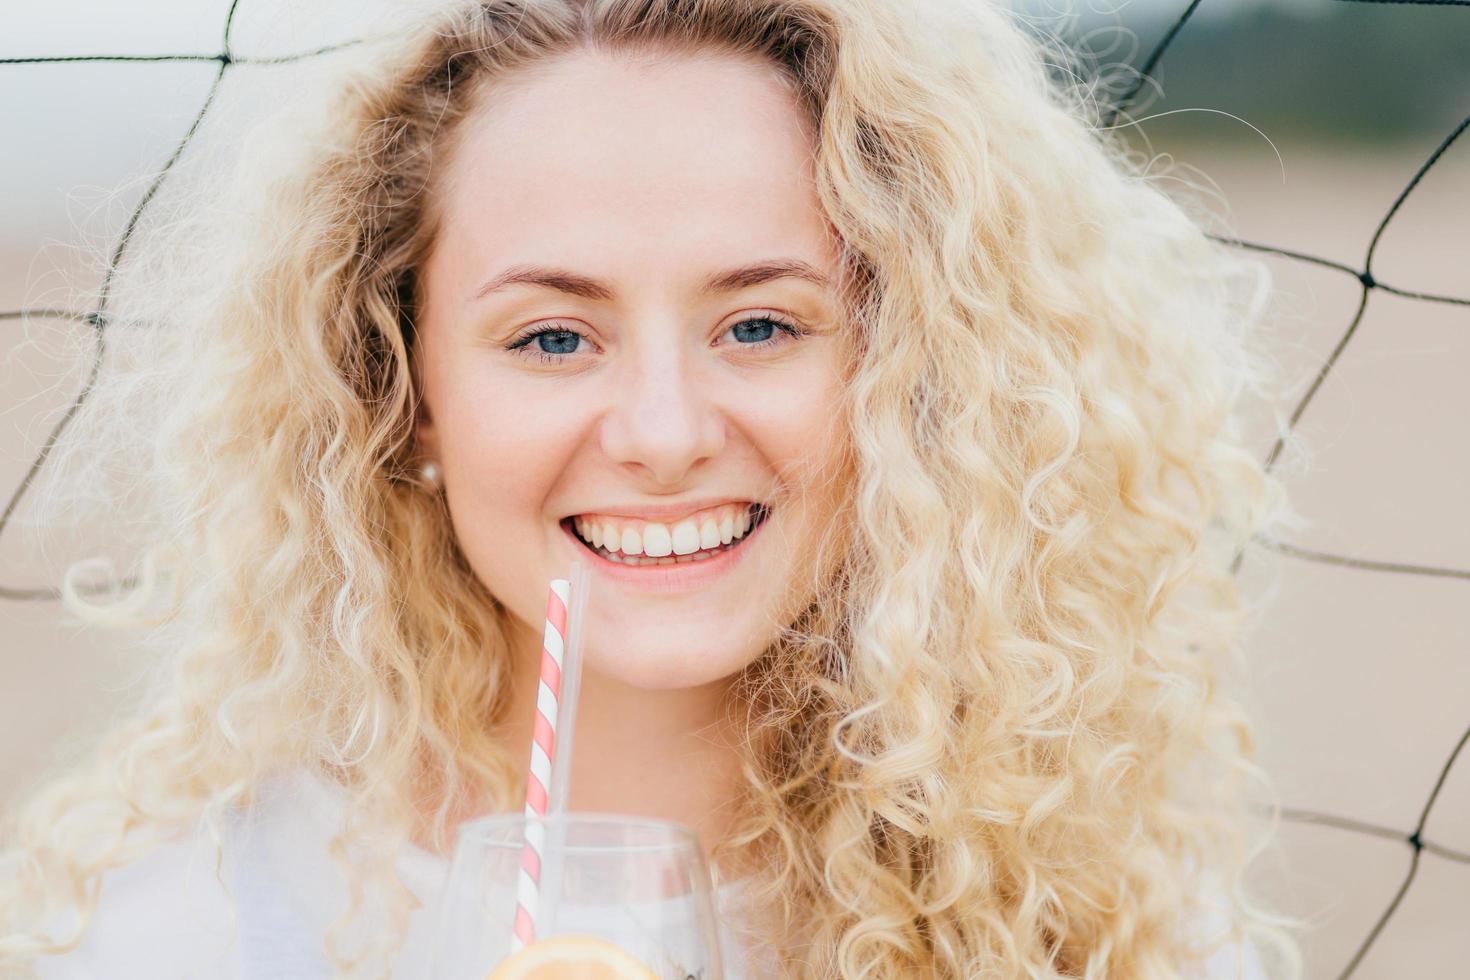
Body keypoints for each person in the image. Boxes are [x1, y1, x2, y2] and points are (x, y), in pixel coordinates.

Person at [0, 0, 1304, 976]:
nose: (664, 433)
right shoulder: (175, 929)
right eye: (551, 338)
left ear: (909, 376)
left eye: (760, 325)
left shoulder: (1096, 928)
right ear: (398, 396)